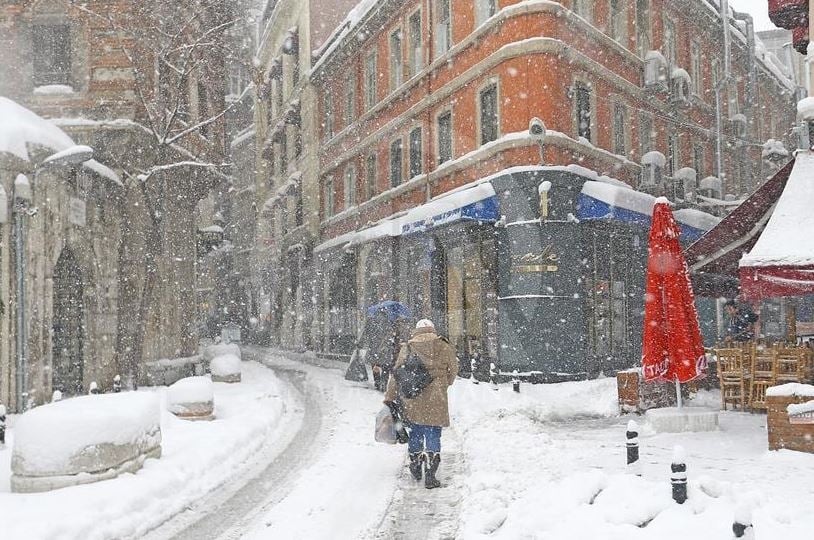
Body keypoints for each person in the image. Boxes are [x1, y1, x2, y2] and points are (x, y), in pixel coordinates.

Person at [384, 319, 459, 489]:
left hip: (413, 395)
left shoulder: (408, 347)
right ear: (433, 329)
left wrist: (389, 396)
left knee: (416, 430)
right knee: (433, 430)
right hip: (436, 396)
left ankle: (416, 464)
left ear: (416, 331)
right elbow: (453, 369)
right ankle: (431, 472)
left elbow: (397, 374)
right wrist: (444, 383)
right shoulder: (443, 345)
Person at [362, 311, 396, 391]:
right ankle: (384, 383)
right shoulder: (389, 323)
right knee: (386, 367)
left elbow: (365, 335)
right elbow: (391, 337)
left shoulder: (370, 322)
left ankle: (377, 383)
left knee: (375, 366)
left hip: (373, 348)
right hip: (385, 348)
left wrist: (360, 344)